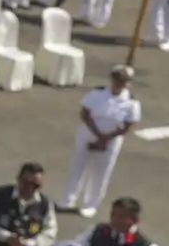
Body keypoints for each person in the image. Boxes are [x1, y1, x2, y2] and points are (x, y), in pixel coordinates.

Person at [61, 63, 142, 218]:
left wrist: (107, 138)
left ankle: (90, 204)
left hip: (111, 140)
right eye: (117, 79)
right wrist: (98, 135)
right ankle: (68, 199)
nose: (120, 83)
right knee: (78, 167)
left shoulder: (132, 102)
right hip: (89, 133)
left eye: (124, 80)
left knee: (100, 173)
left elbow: (129, 124)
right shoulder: (97, 93)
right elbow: (85, 113)